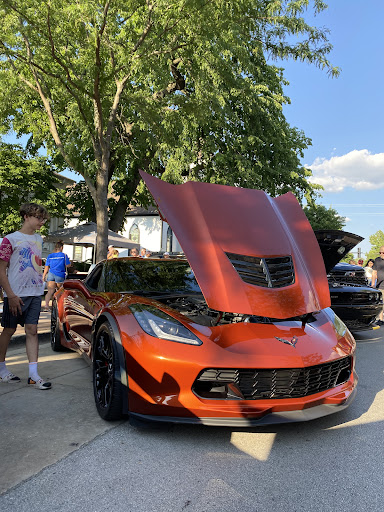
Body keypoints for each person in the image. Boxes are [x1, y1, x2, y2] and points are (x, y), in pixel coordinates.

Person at [0, 203, 52, 389]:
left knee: (32, 330)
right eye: (39, 218)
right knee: (9, 330)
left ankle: (33, 375)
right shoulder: (10, 239)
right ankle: (2, 369)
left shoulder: (39, 239)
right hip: (15, 295)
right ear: (26, 216)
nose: (42, 222)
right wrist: (11, 295)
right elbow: (1, 270)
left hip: (36, 293)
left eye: (43, 219)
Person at [42, 240, 71, 310]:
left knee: (50, 291)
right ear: (61, 247)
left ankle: (46, 305)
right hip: (60, 274)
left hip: (51, 274)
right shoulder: (64, 255)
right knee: (60, 291)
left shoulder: (50, 256)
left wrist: (44, 275)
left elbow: (46, 267)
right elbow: (68, 265)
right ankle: (59, 306)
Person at [371, 247, 384, 326]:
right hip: (380, 286)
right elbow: (374, 272)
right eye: (380, 252)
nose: (381, 254)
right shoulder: (377, 260)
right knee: (381, 303)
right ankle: (381, 319)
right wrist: (373, 284)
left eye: (383, 253)